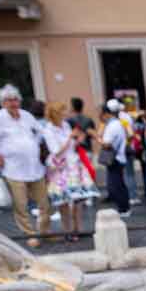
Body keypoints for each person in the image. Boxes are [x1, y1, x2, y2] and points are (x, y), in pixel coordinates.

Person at [0, 85, 50, 246]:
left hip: (34, 167)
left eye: (15, 99)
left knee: (44, 202)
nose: (13, 103)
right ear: (3, 103)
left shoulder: (27, 115)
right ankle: (30, 234)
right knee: (21, 204)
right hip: (13, 168)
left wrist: (35, 145)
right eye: (9, 100)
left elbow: (40, 131)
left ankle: (43, 232)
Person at [43, 100, 98, 241]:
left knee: (78, 200)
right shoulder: (48, 130)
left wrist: (78, 140)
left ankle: (77, 229)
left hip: (74, 165)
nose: (66, 113)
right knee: (64, 202)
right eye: (63, 111)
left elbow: (71, 146)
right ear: (56, 114)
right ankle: (67, 230)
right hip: (60, 169)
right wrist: (70, 137)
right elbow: (56, 151)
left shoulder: (66, 125)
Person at [98, 101, 130, 217]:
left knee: (116, 185)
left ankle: (123, 208)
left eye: (100, 114)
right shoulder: (116, 124)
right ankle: (124, 208)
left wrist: (98, 140)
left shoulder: (113, 125)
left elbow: (107, 144)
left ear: (106, 114)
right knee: (118, 184)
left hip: (115, 158)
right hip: (118, 157)